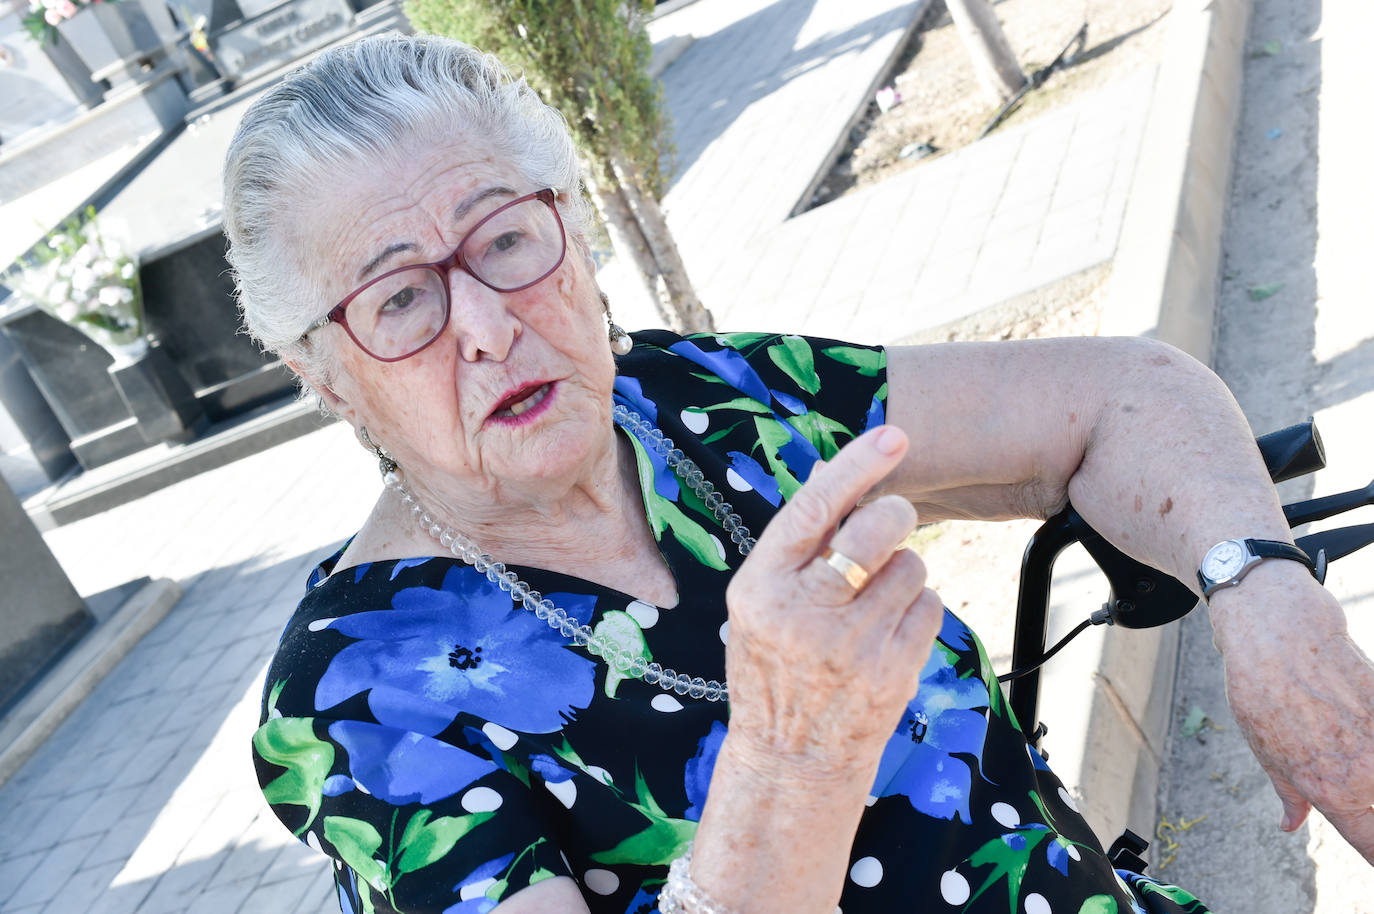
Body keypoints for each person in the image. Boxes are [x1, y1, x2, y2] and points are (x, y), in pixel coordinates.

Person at [225, 33, 1374, 914]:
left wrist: (1266, 597)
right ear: (326, 374)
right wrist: (791, 760)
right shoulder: (354, 697)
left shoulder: (694, 398)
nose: (484, 325)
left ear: (571, 226)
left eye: (506, 239)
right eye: (402, 299)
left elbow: (1127, 394)